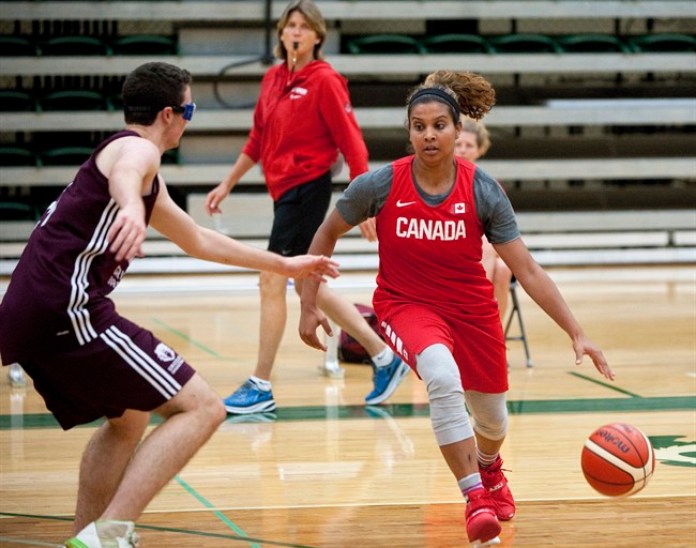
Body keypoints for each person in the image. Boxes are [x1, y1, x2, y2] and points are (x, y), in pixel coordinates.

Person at [0, 61, 339, 548]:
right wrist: (131, 206)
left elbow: (199, 240)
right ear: (168, 114)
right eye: (190, 110)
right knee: (203, 408)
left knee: (130, 416)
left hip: (29, 312)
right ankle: (112, 531)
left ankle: (86, 538)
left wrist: (286, 266)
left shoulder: (135, 169)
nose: (188, 119)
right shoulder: (135, 150)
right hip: (66, 309)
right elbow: (128, 173)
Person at [298, 70, 615, 546]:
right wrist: (307, 304)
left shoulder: (483, 189)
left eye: (439, 125)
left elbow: (526, 269)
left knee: (493, 421)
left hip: (472, 311)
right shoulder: (379, 185)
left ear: (457, 131)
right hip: (406, 306)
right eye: (420, 126)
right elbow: (323, 236)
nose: (429, 134)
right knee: (443, 379)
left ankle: (489, 470)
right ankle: (474, 499)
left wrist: (577, 330)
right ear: (409, 131)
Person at [205, 0, 408, 415]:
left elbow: (352, 143)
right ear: (280, 34)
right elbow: (257, 140)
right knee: (305, 281)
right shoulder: (272, 79)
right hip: (283, 192)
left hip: (308, 188)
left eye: (303, 26)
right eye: (289, 25)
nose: (295, 32)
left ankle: (260, 383)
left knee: (271, 277)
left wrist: (366, 201)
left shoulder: (326, 80)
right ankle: (384, 356)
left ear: (317, 36)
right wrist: (228, 182)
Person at [454, 117, 513, 321]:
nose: (462, 149)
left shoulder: (490, 186)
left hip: (483, 251)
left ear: (479, 150)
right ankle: (479, 320)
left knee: (503, 267)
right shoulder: (442, 181)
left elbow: (502, 230)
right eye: (458, 144)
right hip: (454, 248)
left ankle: (492, 331)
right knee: (493, 257)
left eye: (469, 145)